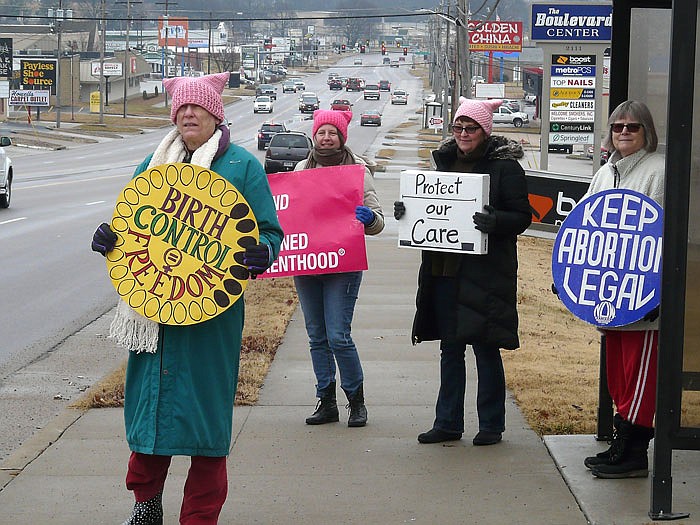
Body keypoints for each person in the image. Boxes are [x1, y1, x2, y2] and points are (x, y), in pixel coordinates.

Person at [90, 72, 284, 525]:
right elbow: (130, 224)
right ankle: (146, 504)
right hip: (151, 315)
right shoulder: (152, 166)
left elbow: (269, 230)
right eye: (181, 108)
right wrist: (109, 239)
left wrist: (263, 252)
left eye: (197, 107)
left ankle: (199, 517)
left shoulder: (241, 167)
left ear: (215, 113)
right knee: (149, 409)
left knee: (206, 419)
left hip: (210, 318)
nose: (189, 114)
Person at [394, 97, 531, 446]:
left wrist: (495, 221)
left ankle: (491, 426)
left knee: (485, 348)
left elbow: (523, 217)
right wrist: (406, 212)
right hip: (443, 270)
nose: (464, 134)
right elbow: (430, 208)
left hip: (485, 272)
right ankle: (448, 422)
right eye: (458, 127)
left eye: (471, 128)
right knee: (450, 348)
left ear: (485, 131)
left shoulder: (506, 169)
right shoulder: (441, 163)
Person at [579, 100, 664, 479]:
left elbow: (664, 237)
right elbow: (583, 227)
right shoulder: (605, 173)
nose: (624, 132)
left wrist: (657, 293)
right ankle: (620, 443)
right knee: (617, 373)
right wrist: (573, 280)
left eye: (633, 127)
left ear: (647, 132)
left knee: (639, 374)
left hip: (643, 302)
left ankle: (634, 452)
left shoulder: (659, 172)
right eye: (617, 127)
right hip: (610, 299)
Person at [293, 109, 384, 427]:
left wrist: (369, 220)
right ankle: (326, 400)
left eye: (333, 132)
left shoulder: (357, 169)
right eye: (321, 132)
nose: (326, 137)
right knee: (316, 336)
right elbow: (290, 216)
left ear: (342, 137)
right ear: (314, 136)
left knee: (338, 336)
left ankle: (356, 401)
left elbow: (378, 219)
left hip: (342, 265)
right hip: (307, 265)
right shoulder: (301, 168)